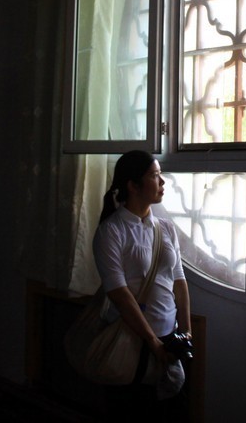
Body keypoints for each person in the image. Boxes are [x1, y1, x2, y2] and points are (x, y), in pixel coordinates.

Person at [92, 150, 192, 420]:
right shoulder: (111, 231)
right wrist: (151, 341)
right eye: (155, 176)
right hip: (131, 341)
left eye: (160, 175)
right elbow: (119, 294)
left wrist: (186, 333)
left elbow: (179, 282)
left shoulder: (165, 228)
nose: (162, 182)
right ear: (133, 185)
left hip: (170, 340)